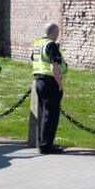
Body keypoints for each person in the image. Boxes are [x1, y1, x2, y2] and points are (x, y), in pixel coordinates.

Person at [32, 22, 67, 154]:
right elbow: (54, 66)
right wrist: (59, 83)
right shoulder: (51, 45)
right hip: (49, 82)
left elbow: (37, 60)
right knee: (51, 115)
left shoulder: (38, 43)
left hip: (38, 81)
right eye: (57, 33)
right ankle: (46, 146)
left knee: (46, 113)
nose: (58, 35)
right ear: (53, 32)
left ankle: (43, 142)